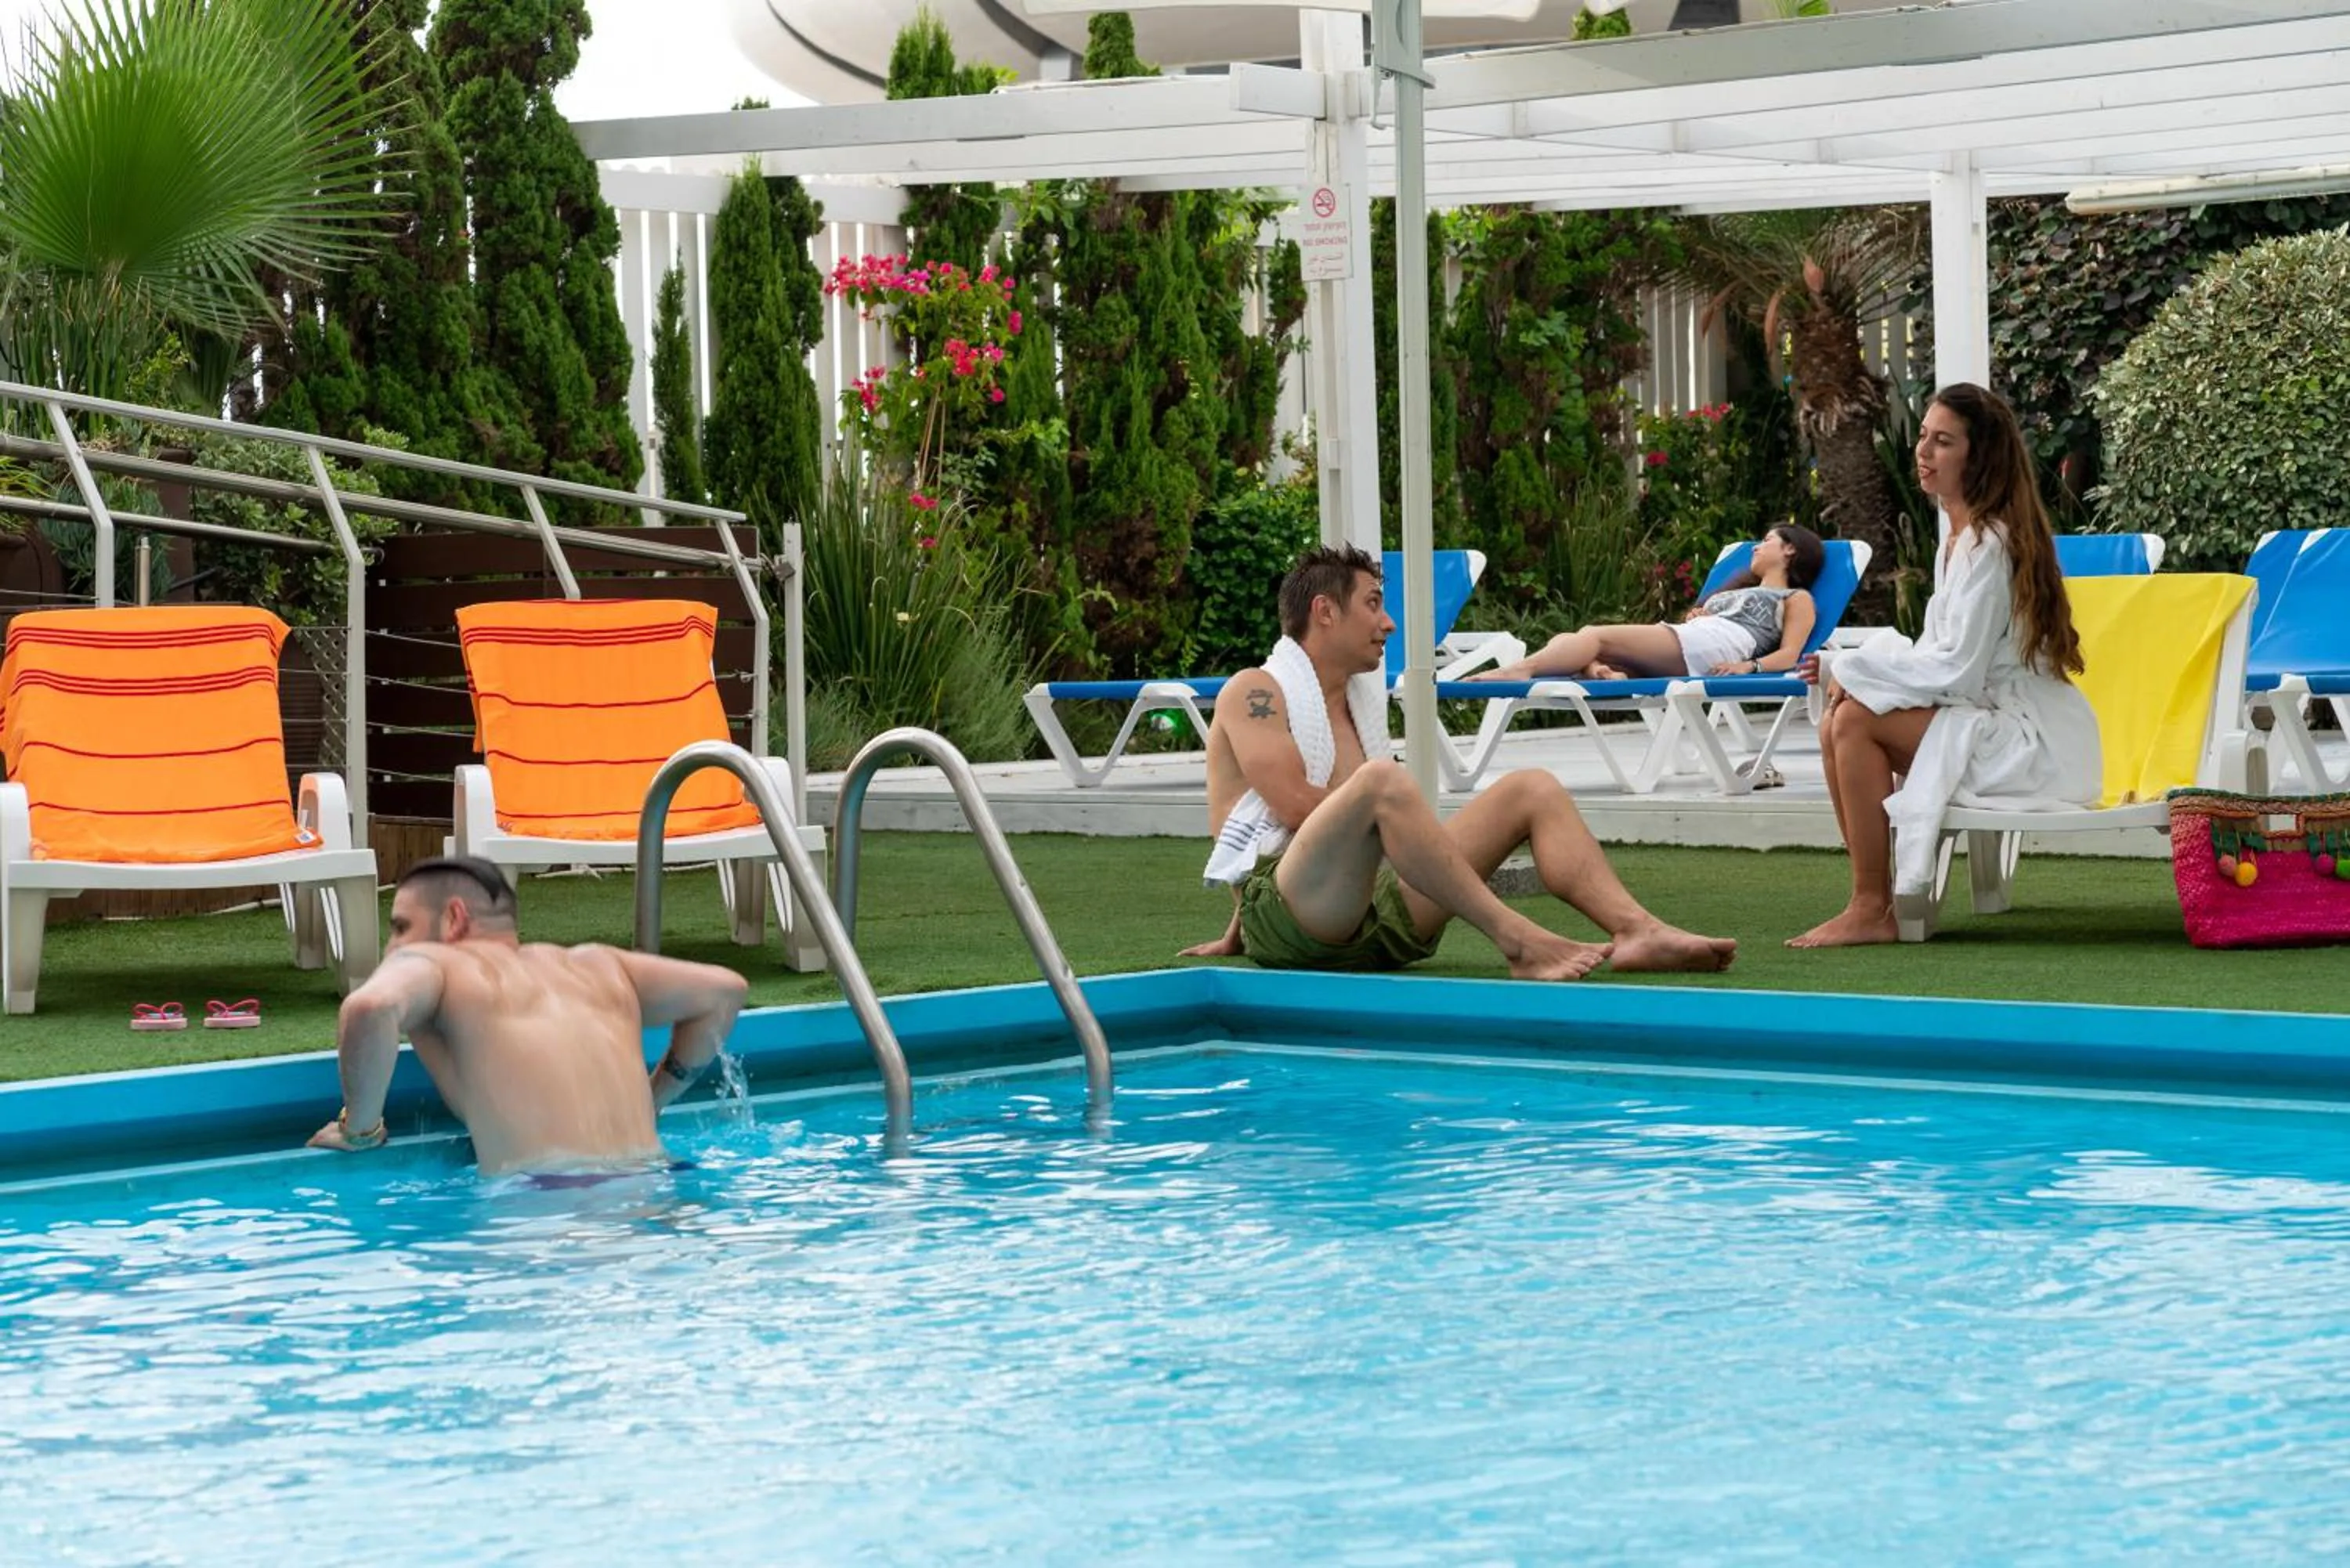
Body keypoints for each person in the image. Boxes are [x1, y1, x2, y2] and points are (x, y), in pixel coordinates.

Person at [1182, 544, 1737, 979]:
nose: (1389, 623)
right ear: (1324, 612)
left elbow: (1285, 830)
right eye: (1373, 603)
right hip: (1295, 922)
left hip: (1374, 917)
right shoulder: (1257, 691)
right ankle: (1516, 938)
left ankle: (1636, 931)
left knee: (1532, 789)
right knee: (1383, 784)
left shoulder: (1356, 703)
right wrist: (1246, 922)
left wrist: (1411, 843)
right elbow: (1288, 811)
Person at [1788, 382, 2100, 948]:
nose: (1923, 453)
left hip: (2029, 744)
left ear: (1977, 456)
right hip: (1987, 720)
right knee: (1839, 717)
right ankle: (1868, 900)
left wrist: (1855, 673)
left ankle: (1873, 906)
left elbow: (1958, 673)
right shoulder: (1957, 537)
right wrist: (1847, 669)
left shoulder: (1990, 544)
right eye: (1924, 438)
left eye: (1943, 442)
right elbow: (1938, 651)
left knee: (1854, 719)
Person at [306, 856, 751, 1175]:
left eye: (401, 927)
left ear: (453, 919)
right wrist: (650, 1101)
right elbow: (725, 992)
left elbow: (371, 1006)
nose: (393, 948)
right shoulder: (597, 964)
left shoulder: (434, 962)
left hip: (547, 1209)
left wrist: (359, 1131)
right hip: (659, 1180)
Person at [1471, 523, 1827, 683]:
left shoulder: (1796, 598)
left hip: (1718, 648)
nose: (1756, 547)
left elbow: (1790, 654)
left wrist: (1747, 668)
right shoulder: (1736, 591)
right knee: (1576, 642)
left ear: (1790, 549)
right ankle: (1603, 674)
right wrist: (1704, 613)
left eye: (1766, 541)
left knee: (1593, 636)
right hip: (1695, 642)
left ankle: (1520, 670)